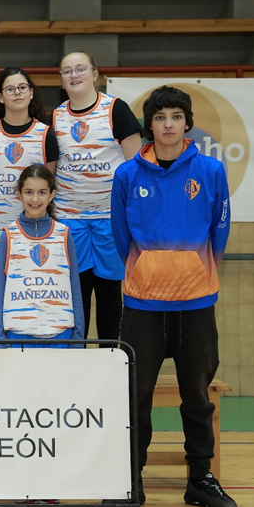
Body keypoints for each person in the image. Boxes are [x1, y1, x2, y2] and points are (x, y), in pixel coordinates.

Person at [111, 86, 235, 507]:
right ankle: (131, 479)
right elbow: (120, 235)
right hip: (142, 305)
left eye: (176, 117)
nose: (168, 124)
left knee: (197, 395)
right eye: (160, 117)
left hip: (195, 303)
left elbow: (220, 229)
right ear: (150, 124)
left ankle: (200, 479)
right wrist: (147, 268)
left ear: (187, 123)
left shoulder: (210, 170)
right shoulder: (127, 175)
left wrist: (194, 270)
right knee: (137, 394)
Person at [53, 51, 142, 343]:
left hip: (109, 220)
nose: (74, 75)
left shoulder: (116, 109)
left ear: (95, 74)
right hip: (70, 221)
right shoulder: (55, 117)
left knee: (109, 297)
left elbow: (136, 170)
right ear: (61, 80)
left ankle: (111, 359)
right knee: (76, 298)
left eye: (81, 69)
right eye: (67, 71)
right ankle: (77, 363)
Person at [0, 165, 84, 348]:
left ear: (52, 195)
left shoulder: (64, 234)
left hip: (61, 337)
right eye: (29, 192)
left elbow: (74, 287)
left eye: (42, 192)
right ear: (19, 194)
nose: (35, 199)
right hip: (18, 338)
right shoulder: (8, 235)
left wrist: (78, 339)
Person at [0, 67, 57, 259]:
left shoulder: (45, 135)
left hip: (33, 234)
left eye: (22, 87)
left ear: (31, 93)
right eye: (10, 89)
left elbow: (48, 187)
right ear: (0, 97)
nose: (17, 93)